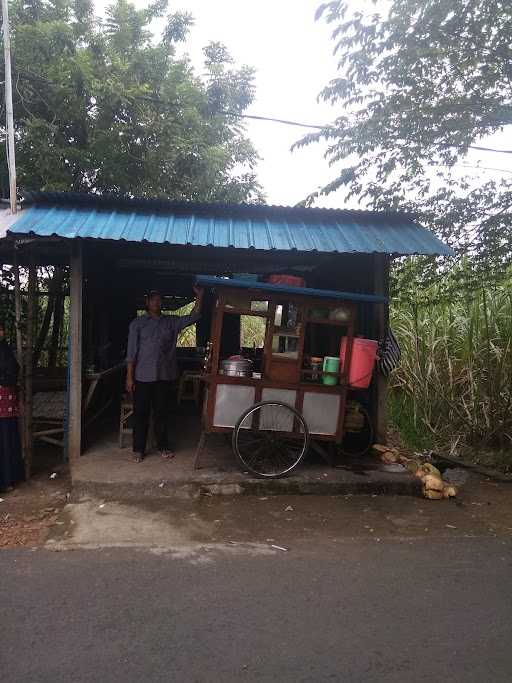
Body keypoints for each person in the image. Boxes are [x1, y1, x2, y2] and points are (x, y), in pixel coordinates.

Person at [126, 285, 204, 462]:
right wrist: (129, 377)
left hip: (164, 376)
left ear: (162, 302)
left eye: (159, 299)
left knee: (162, 413)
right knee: (141, 414)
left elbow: (194, 316)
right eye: (152, 298)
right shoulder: (137, 324)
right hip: (142, 377)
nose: (156, 301)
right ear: (147, 302)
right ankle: (138, 450)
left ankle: (163, 446)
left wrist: (199, 296)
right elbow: (131, 353)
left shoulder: (171, 322)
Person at [0, 323, 25, 492]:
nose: (1, 332)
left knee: (6, 438)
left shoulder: (5, 349)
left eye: (1, 329)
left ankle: (8, 479)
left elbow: (13, 369)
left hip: (6, 401)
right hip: (5, 399)